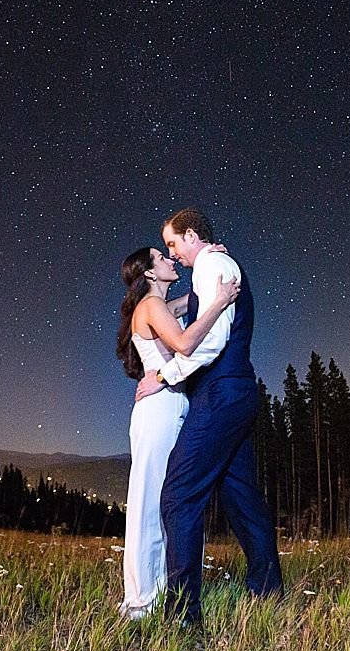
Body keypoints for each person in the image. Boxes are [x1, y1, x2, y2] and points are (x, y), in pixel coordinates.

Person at [135, 207, 283, 627]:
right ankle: (268, 592)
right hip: (236, 392)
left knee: (179, 496)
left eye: (173, 243)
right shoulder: (214, 264)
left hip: (218, 394)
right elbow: (194, 311)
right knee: (241, 498)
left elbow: (210, 340)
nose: (173, 253)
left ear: (191, 236)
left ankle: (183, 616)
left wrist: (164, 374)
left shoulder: (211, 265)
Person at [115, 244, 240, 618]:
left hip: (173, 404)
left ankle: (161, 592)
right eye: (162, 257)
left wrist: (203, 253)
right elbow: (185, 343)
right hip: (159, 410)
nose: (171, 260)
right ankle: (140, 602)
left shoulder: (163, 306)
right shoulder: (151, 306)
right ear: (150, 273)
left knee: (170, 501)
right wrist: (220, 302)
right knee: (149, 502)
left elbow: (193, 300)